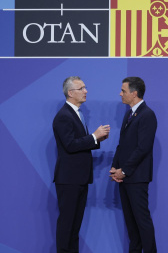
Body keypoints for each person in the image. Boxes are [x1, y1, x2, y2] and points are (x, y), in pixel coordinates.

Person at [53, 76, 110, 253]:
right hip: (69, 179)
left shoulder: (76, 114)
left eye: (85, 88)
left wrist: (97, 139)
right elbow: (70, 145)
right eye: (81, 88)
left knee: (75, 226)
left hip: (79, 178)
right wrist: (93, 136)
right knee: (67, 225)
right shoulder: (64, 116)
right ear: (71, 93)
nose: (86, 91)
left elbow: (78, 143)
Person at [109, 77, 158, 253]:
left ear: (134, 93)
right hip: (125, 177)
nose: (120, 94)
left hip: (137, 178)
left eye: (123, 91)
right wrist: (115, 168)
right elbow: (123, 145)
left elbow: (143, 148)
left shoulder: (147, 114)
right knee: (131, 224)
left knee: (142, 222)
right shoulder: (129, 114)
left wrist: (125, 170)